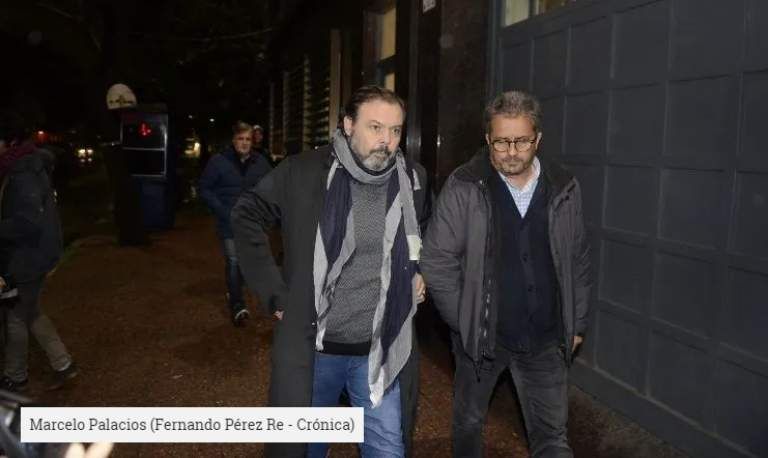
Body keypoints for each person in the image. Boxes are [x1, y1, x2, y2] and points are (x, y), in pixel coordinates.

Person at [232, 86, 430, 457]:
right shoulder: (304, 172)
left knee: (388, 450)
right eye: (375, 127)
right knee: (305, 448)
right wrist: (276, 293)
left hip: (380, 349)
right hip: (316, 351)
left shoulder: (412, 180)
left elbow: (422, 233)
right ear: (348, 125)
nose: (387, 141)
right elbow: (246, 215)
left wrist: (418, 270)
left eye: (395, 131)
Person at [420, 90, 591, 458]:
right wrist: (466, 320)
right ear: (488, 139)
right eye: (501, 142)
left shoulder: (564, 187)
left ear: (538, 139)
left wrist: (576, 323)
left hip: (546, 338)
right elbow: (436, 259)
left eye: (522, 141)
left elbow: (577, 258)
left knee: (552, 437)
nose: (512, 151)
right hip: (483, 340)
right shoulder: (465, 185)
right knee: (469, 422)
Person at [0, 120, 77, 392]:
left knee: (16, 316)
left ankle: (15, 377)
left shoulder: (23, 172)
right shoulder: (17, 168)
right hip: (27, 254)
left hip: (28, 257)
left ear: (9, 142)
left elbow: (27, 222)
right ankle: (63, 364)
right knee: (30, 311)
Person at [199, 121, 271, 326]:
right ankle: (237, 306)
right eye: (240, 138)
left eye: (248, 139)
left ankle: (234, 289)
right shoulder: (218, 162)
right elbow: (204, 188)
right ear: (233, 140)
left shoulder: (260, 162)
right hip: (228, 222)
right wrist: (222, 211)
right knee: (233, 260)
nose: (244, 143)